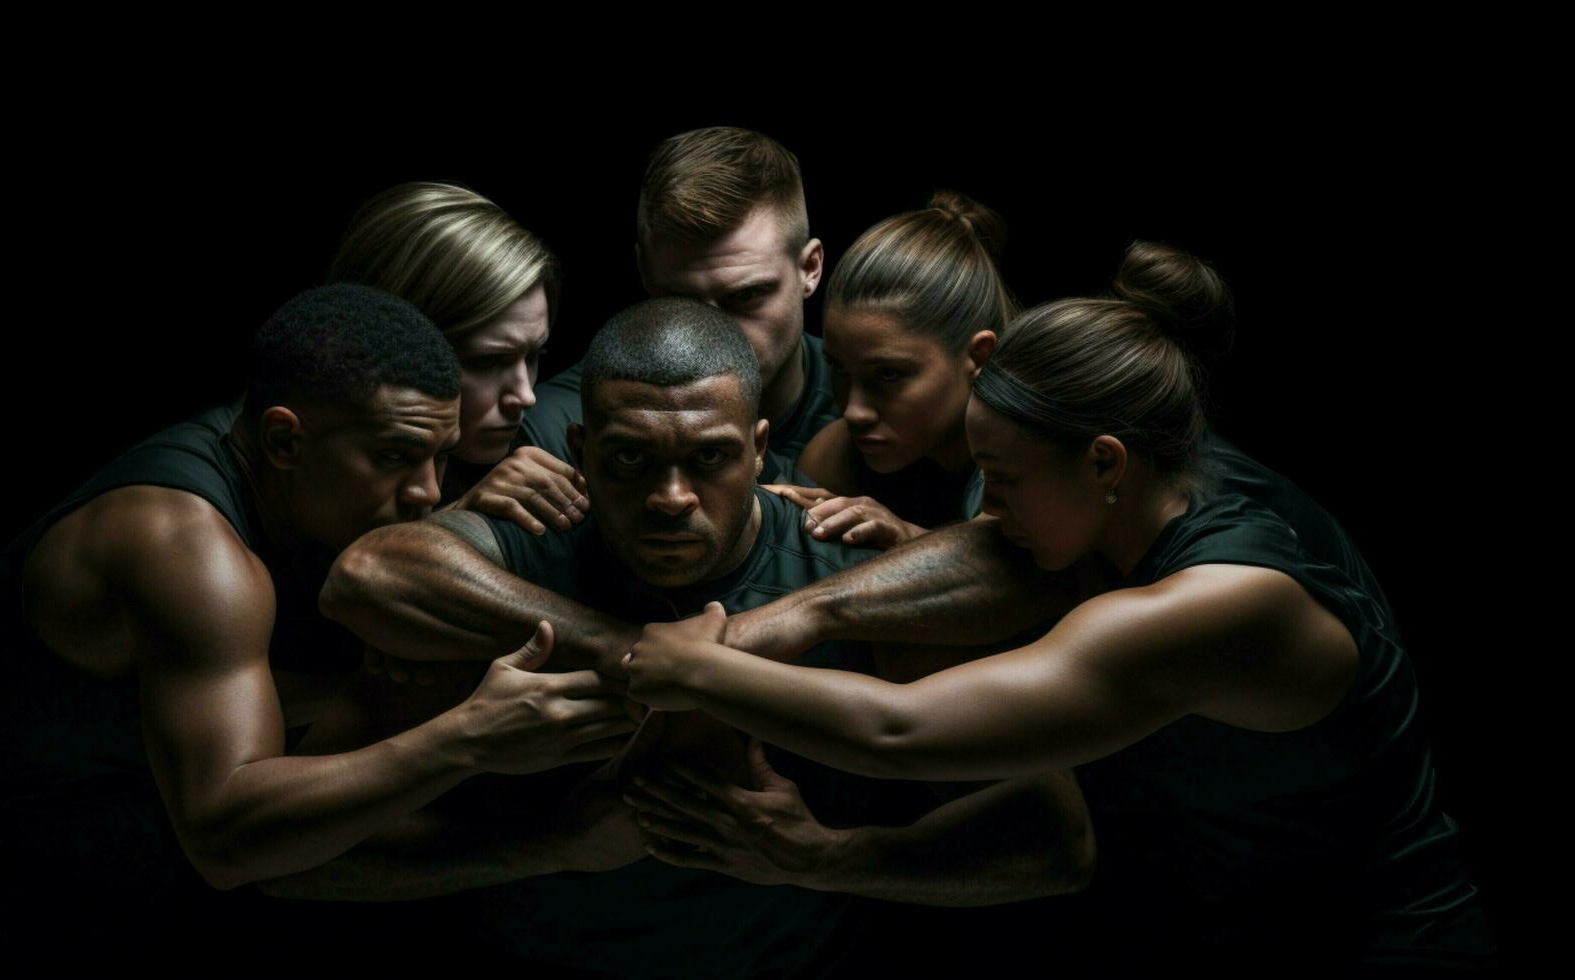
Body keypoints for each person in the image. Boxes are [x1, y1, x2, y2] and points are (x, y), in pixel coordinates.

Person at [621, 244, 1496, 971]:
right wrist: (804, 618)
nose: (987, 512)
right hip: (1230, 932)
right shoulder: (1143, 503)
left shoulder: (1222, 605)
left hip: (1387, 949)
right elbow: (989, 551)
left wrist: (697, 667)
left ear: (1105, 464)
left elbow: (902, 732)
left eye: (1001, 483)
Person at [316, 297, 1093, 976]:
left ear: (759, 450)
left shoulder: (839, 568)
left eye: (711, 457)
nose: (671, 497)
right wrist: (549, 836)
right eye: (630, 458)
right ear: (580, 452)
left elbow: (1054, 842)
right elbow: (368, 576)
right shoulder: (523, 553)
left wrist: (818, 858)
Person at [0, 285, 636, 968]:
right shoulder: (183, 549)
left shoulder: (296, 498)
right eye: (397, 457)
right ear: (283, 440)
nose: (424, 494)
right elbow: (226, 837)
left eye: (438, 457)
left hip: (123, 921)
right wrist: (472, 736)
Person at [515, 126, 835, 485]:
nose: (717, 335)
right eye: (682, 302)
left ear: (810, 268)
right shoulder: (556, 429)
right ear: (645, 273)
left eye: (746, 296)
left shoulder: (883, 408)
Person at [330, 181, 588, 537]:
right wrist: (455, 520)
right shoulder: (313, 468)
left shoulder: (546, 443)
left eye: (533, 356)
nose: (526, 395)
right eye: (486, 362)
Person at [776, 190, 1016, 548]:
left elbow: (1022, 577)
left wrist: (906, 538)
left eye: (889, 375)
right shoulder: (834, 456)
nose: (853, 412)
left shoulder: (1030, 450)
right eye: (838, 369)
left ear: (978, 357)